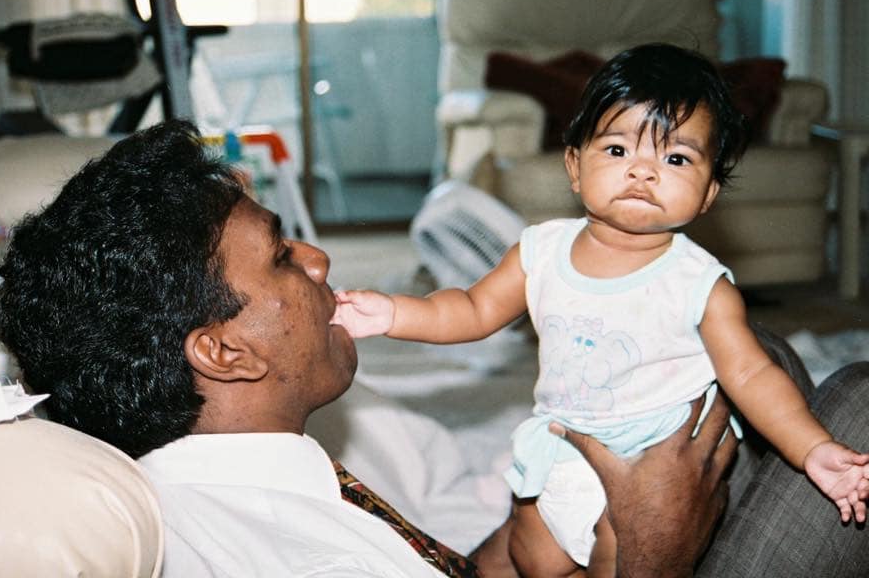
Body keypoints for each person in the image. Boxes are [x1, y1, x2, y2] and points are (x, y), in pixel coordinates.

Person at [0, 119, 868, 578]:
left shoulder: (264, 469)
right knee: (858, 397)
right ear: (221, 353)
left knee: (751, 360)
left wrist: (530, 530)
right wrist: (652, 550)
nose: (322, 259)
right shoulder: (277, 554)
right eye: (284, 255)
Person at [332, 43, 869, 577]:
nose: (643, 171)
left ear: (708, 194)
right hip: (561, 441)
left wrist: (813, 448)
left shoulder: (700, 285)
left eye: (676, 158)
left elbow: (751, 372)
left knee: (618, 558)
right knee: (534, 557)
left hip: (649, 462)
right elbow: (471, 309)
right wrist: (394, 314)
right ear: (574, 165)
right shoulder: (540, 252)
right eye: (617, 151)